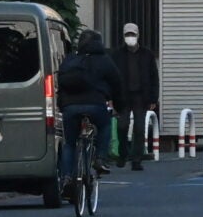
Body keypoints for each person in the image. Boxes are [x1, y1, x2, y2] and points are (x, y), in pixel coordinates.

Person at [55, 28, 124, 190]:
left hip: (70, 107)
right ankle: (100, 158)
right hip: (95, 105)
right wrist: (119, 108)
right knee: (105, 125)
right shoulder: (104, 60)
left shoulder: (70, 60)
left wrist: (62, 106)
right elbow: (117, 84)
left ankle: (66, 178)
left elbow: (61, 83)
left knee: (70, 143)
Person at [114, 22, 158, 169]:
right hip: (122, 96)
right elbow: (112, 78)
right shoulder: (117, 55)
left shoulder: (147, 54)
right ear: (123, 36)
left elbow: (154, 77)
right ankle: (123, 153)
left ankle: (136, 159)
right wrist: (111, 98)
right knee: (122, 126)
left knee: (139, 128)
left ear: (138, 35)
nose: (130, 37)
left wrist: (153, 98)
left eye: (132, 34)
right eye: (127, 35)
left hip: (141, 96)